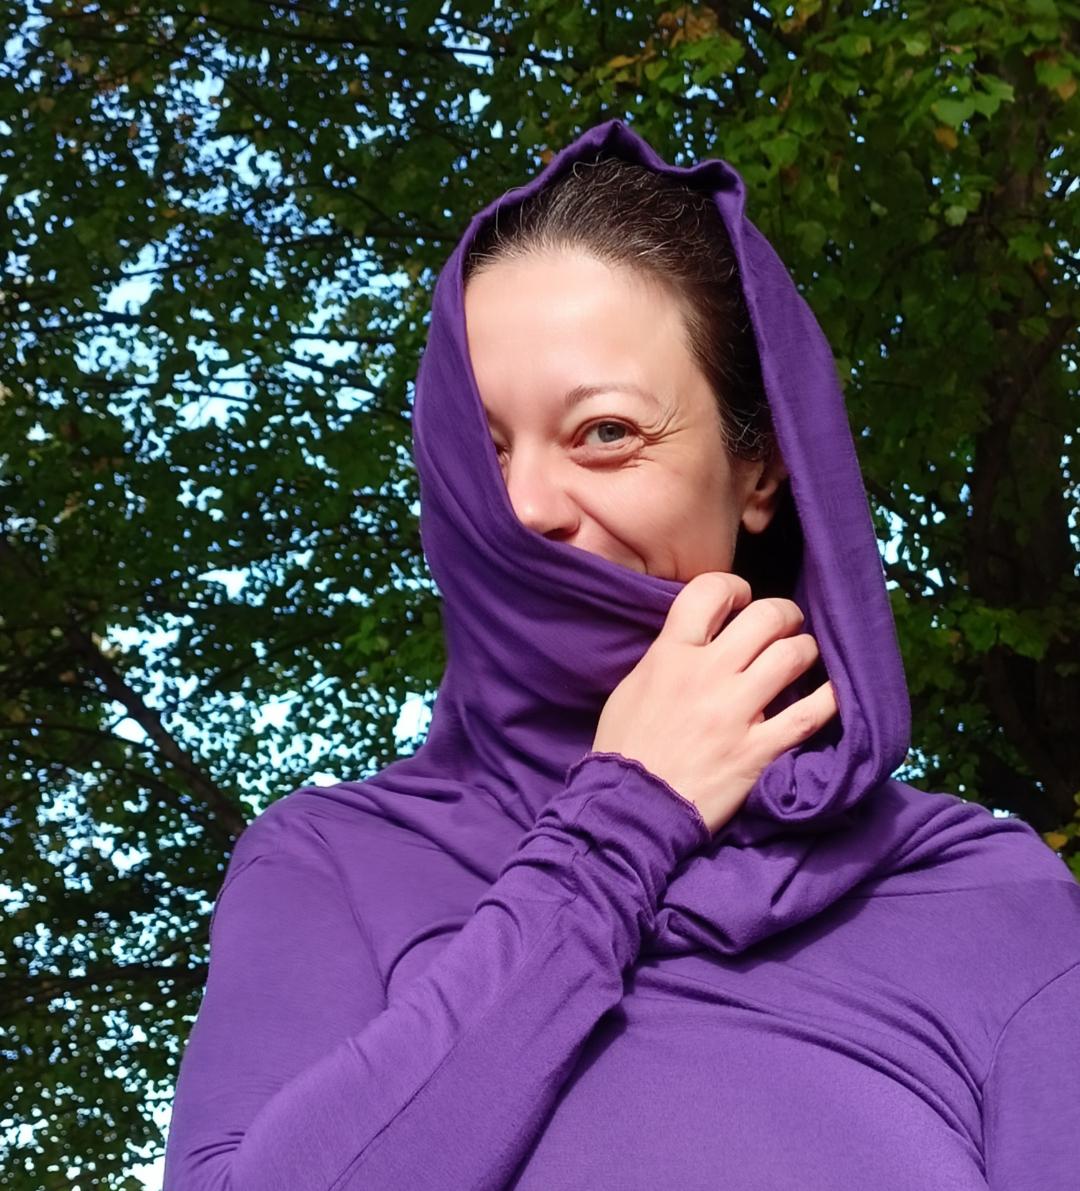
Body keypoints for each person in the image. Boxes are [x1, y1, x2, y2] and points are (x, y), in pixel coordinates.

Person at [162, 118, 1080, 1190]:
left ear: (759, 472)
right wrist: (620, 826)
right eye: (485, 451)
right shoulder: (334, 866)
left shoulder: (988, 898)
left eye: (604, 433)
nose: (526, 506)